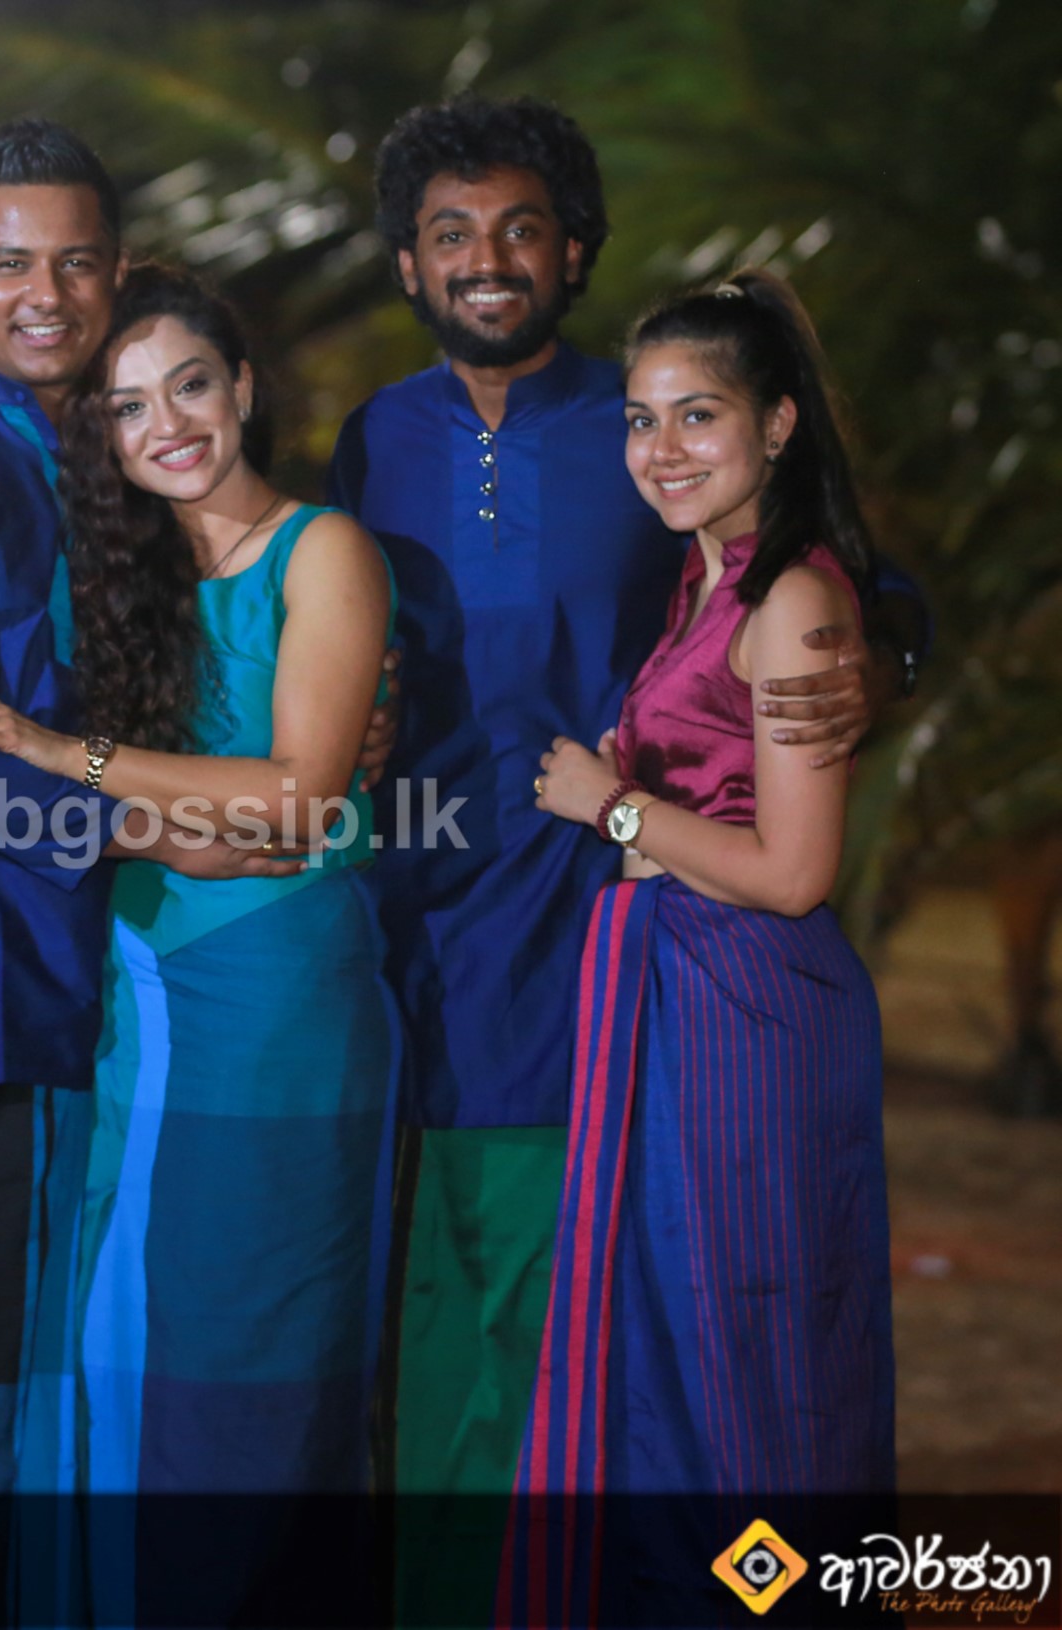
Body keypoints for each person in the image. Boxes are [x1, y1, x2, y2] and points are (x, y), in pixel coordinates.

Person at [321, 92, 918, 1622]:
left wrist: (877, 659)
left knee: (632, 1308)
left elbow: (833, 575)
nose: (489, 258)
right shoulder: (375, 439)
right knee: (426, 1292)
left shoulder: (650, 420)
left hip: (616, 943)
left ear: (575, 250)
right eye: (452, 233)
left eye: (522, 227)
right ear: (407, 264)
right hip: (414, 922)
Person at [0, 119, 337, 1625]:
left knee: (63, 1381)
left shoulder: (127, 445)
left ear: (118, 273)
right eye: (12, 263)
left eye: (79, 263)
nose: (46, 294)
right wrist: (168, 830)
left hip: (129, 988)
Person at [0, 261, 399, 1620]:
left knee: (255, 1329)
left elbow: (297, 799)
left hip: (277, 995)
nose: (167, 425)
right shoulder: (119, 578)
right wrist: (146, 819)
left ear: (242, 387)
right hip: (137, 991)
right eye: (129, 408)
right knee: (126, 1319)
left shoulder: (324, 552)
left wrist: (63, 756)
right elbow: (136, 809)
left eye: (189, 385)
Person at [507, 269, 894, 1623]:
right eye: (639, 418)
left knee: (750, 1346)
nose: (660, 449)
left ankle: (768, 1604)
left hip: (747, 1010)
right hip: (676, 997)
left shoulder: (792, 600)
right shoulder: (708, 572)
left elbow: (794, 872)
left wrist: (611, 804)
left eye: (697, 415)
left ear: (777, 424)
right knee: (671, 1347)